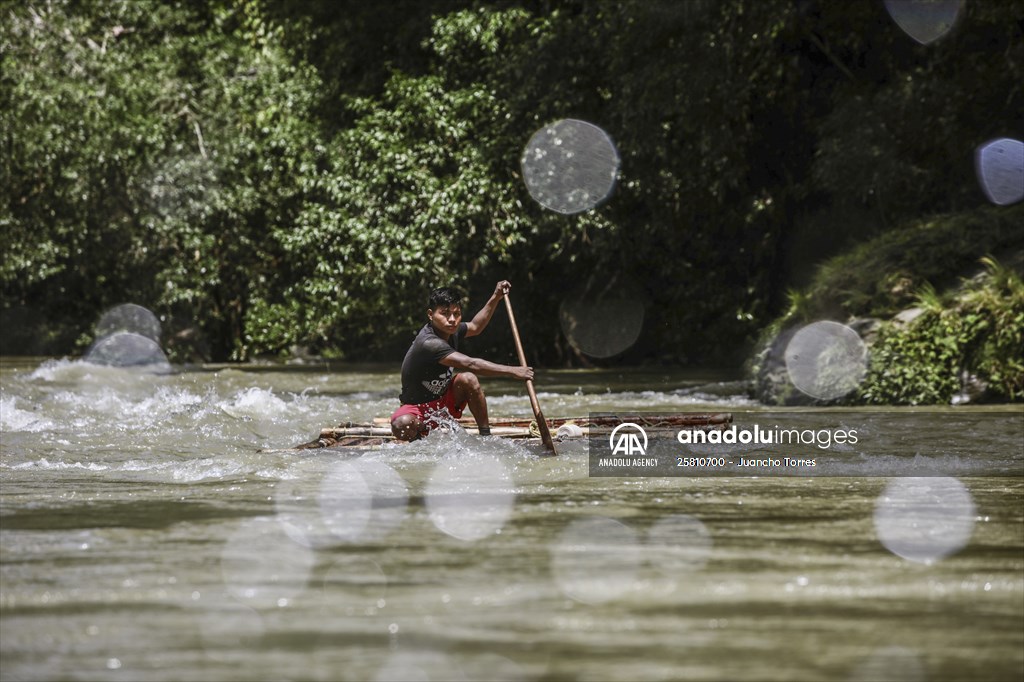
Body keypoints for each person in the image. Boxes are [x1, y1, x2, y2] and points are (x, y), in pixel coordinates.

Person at [390, 281, 534, 441]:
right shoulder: (429, 343)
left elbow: (476, 326)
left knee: (468, 379)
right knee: (402, 423)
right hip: (417, 409)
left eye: (456, 313)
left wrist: (496, 296)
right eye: (444, 313)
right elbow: (470, 363)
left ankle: (485, 436)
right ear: (430, 315)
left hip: (443, 404)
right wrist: (512, 371)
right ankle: (421, 440)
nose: (452, 319)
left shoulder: (452, 330)